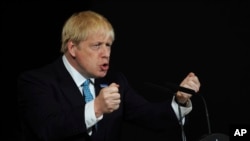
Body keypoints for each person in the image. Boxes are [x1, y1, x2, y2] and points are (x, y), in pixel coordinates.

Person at [17, 10, 201, 141]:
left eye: (108, 45)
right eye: (97, 45)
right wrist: (96, 107)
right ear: (72, 48)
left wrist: (180, 100)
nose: (106, 53)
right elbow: (46, 130)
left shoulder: (114, 81)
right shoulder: (37, 81)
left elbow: (152, 118)